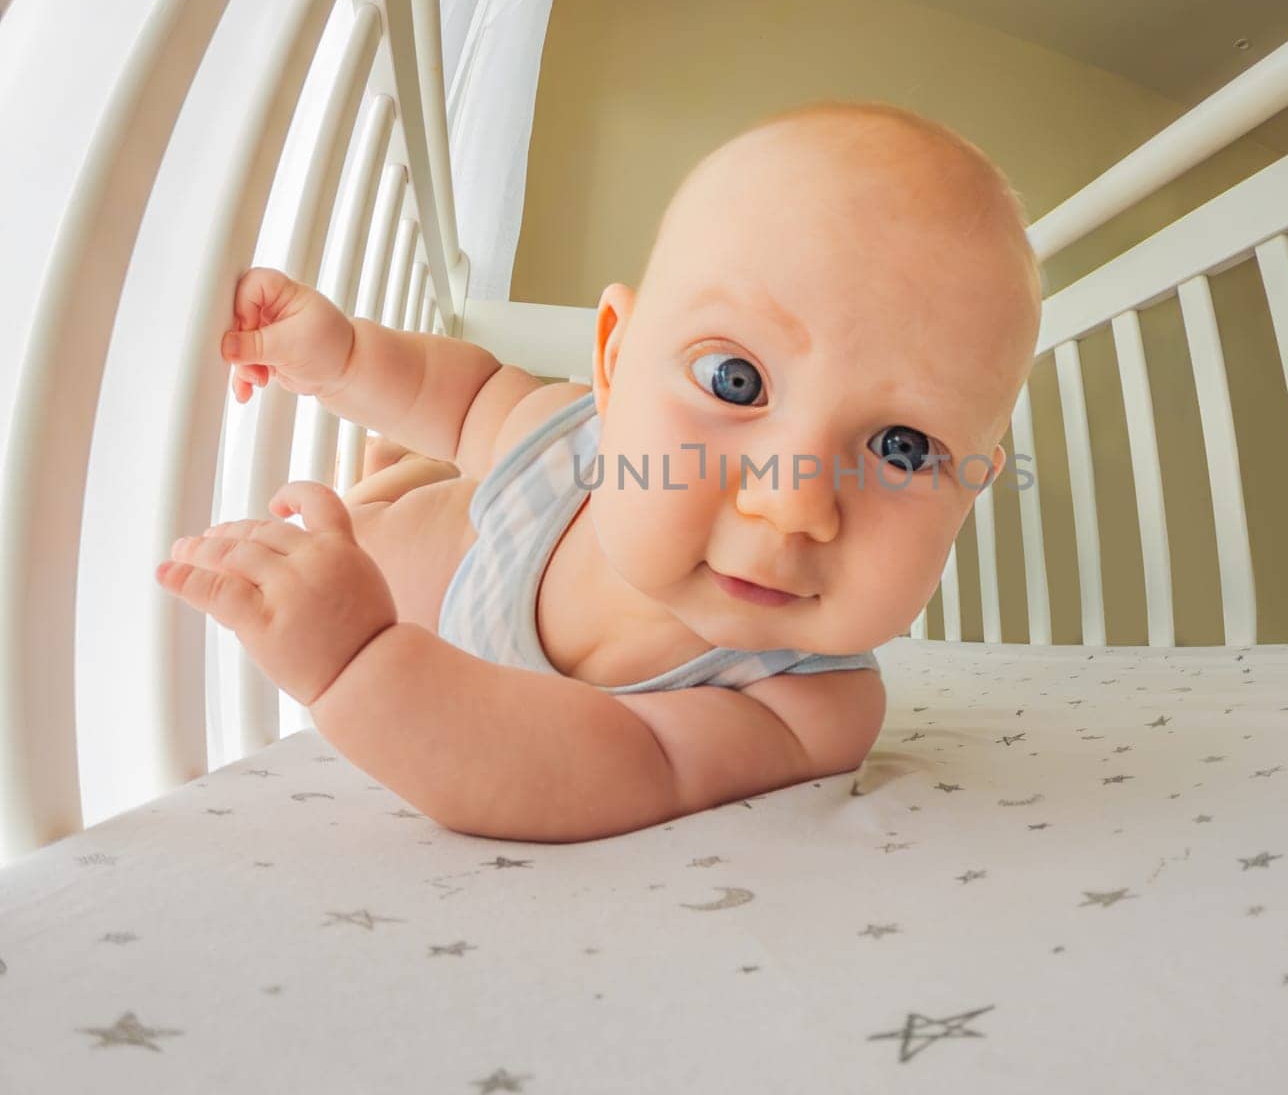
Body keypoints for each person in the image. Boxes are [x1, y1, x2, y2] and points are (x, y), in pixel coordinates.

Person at [156, 100, 1042, 842]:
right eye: (736, 381)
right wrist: (343, 359)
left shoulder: (807, 710)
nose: (793, 504)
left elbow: (593, 769)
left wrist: (355, 658)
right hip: (455, 523)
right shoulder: (577, 440)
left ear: (969, 483)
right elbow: (456, 394)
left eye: (902, 448)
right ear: (614, 367)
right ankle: (396, 479)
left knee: (382, 536)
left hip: (411, 625)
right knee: (427, 469)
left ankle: (396, 485)